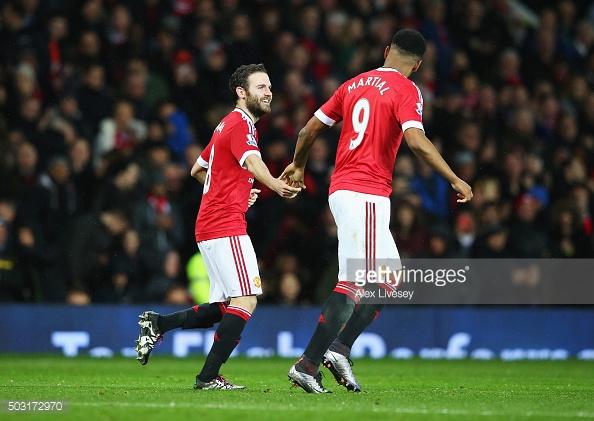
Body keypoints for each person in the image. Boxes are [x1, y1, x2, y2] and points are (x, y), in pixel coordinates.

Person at [281, 29, 473, 393]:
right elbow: (416, 140)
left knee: (389, 279)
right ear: (416, 65)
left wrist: (298, 166)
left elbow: (308, 130)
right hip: (365, 193)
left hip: (344, 189)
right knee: (354, 281)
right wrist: (454, 178)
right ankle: (306, 365)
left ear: (386, 51)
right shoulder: (407, 89)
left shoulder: (352, 84)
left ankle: (338, 349)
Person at [134, 64, 300, 390]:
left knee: (226, 307)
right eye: (261, 87)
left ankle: (158, 324)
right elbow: (252, 162)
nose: (268, 92)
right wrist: (273, 185)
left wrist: (238, 189)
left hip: (211, 223)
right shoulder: (241, 124)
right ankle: (207, 378)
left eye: (269, 87)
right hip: (225, 224)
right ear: (242, 92)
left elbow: (199, 169)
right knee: (247, 299)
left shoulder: (224, 125)